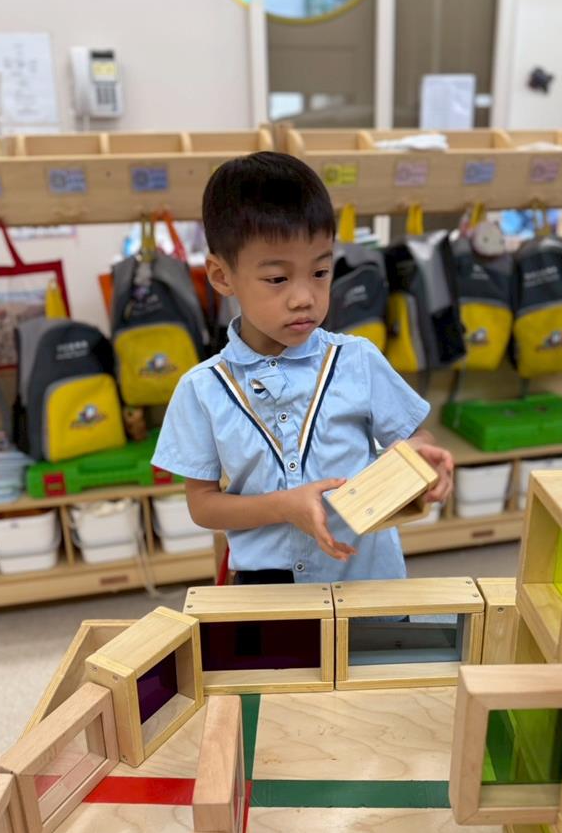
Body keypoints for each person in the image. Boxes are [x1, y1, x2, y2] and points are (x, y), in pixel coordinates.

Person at [153, 151, 453, 586]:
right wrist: (283, 506)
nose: (304, 298)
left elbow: (415, 438)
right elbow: (202, 506)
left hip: (368, 578)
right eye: (277, 279)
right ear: (221, 276)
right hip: (269, 590)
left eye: (320, 272)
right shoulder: (202, 389)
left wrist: (420, 458)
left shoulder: (358, 359)